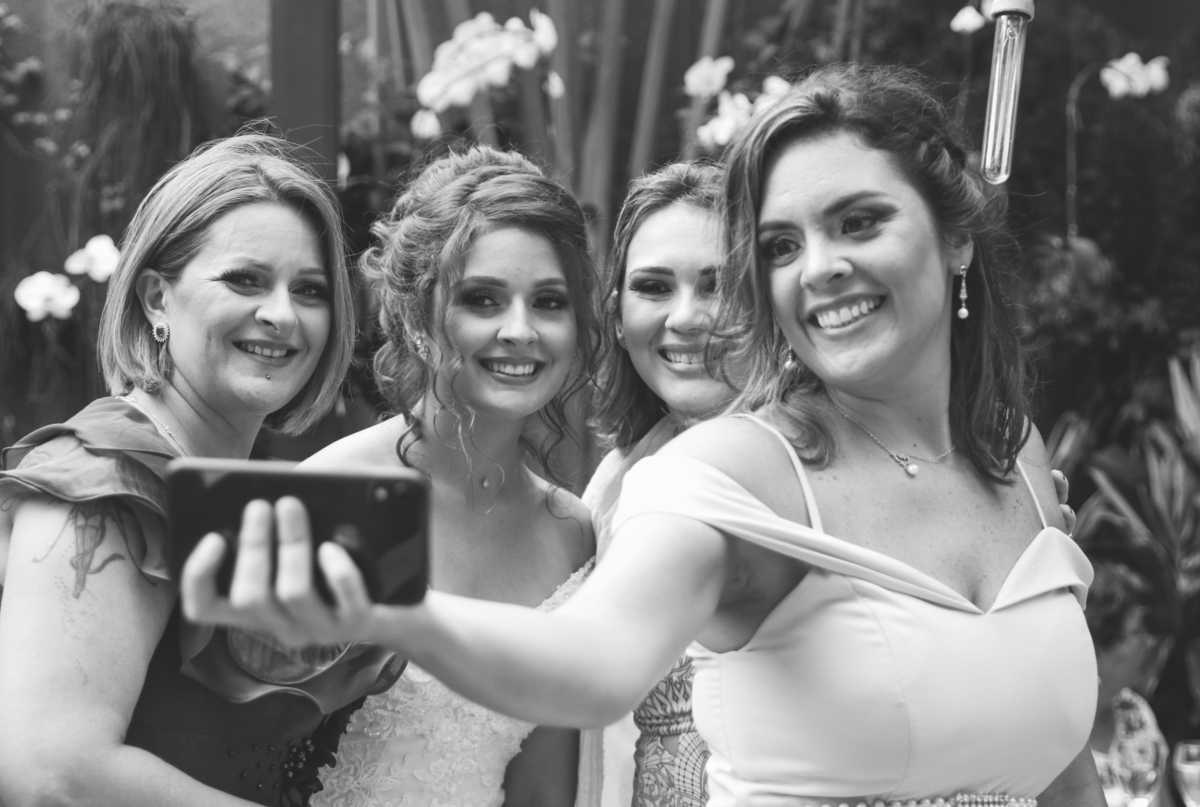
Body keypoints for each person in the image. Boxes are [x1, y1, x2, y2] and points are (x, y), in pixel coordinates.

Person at [183, 65, 1105, 807]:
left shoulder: (569, 524)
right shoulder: (716, 476)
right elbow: (591, 664)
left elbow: (1065, 774)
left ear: (957, 238)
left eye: (860, 222)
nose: (821, 268)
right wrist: (389, 611)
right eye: (782, 245)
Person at [0, 133, 366, 806]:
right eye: (245, 279)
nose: (281, 314)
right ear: (155, 298)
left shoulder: (237, 490)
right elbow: (51, 775)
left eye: (309, 289)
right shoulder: (100, 481)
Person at [297, 144, 598, 807]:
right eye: (482, 299)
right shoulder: (331, 496)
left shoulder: (572, 533)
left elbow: (542, 792)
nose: (520, 330)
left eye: (549, 302)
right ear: (417, 314)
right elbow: (249, 758)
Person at [585, 161, 733, 807]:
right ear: (617, 315)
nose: (686, 316)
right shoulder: (616, 481)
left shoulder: (833, 466)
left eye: (718, 285)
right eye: (654, 286)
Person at [1083, 562, 1172, 807]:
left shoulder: (1134, 711)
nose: (1148, 643)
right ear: (1099, 646)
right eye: (1137, 632)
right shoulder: (1059, 728)